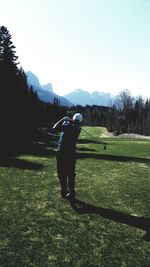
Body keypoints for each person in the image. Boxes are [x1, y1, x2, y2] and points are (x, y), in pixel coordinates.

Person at [52, 113, 83, 200]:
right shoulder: (78, 128)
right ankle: (71, 193)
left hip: (62, 153)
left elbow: (54, 128)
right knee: (71, 174)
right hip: (72, 154)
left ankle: (64, 191)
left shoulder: (68, 126)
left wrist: (63, 119)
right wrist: (68, 121)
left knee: (62, 173)